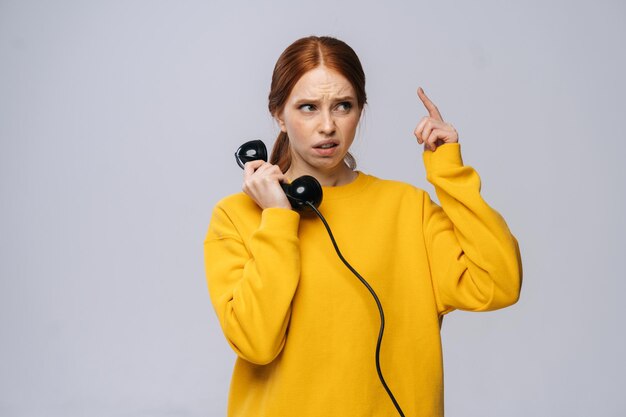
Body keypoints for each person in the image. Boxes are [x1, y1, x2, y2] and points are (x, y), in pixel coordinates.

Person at [203, 35, 522, 417]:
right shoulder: (237, 216)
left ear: (360, 110)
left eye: (343, 106)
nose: (327, 126)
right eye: (307, 107)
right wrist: (278, 218)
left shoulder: (408, 209)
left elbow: (499, 283)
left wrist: (448, 171)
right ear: (278, 114)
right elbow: (256, 342)